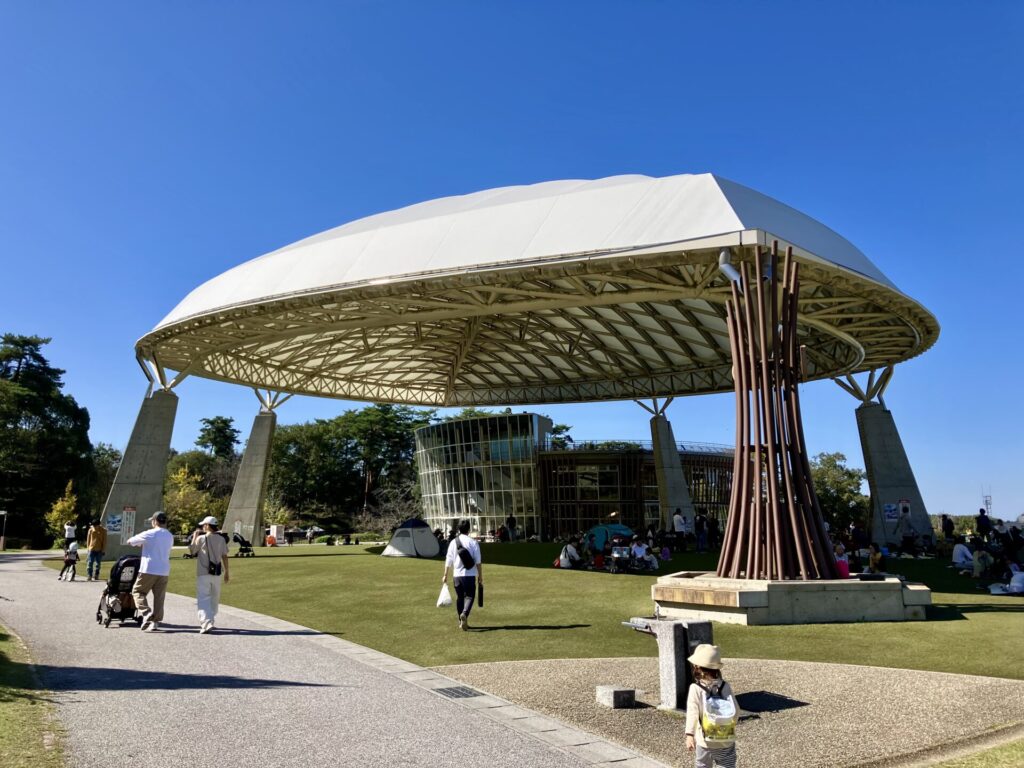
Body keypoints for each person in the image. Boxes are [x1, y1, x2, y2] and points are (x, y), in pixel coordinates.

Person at [685, 644, 739, 768]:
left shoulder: (696, 688)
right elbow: (736, 711)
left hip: (705, 741)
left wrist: (690, 735)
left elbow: (692, 713)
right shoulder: (725, 686)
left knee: (703, 765)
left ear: (697, 667)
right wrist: (726, 724)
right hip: (726, 740)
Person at [127, 511, 175, 632]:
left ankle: (146, 613)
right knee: (159, 597)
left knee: (138, 591)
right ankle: (155, 622)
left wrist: (141, 544)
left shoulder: (150, 533)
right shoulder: (169, 535)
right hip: (164, 569)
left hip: (149, 568)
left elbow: (130, 541)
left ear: (154, 521)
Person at [189, 515, 230, 634]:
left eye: (203, 525)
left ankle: (206, 622)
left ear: (207, 526)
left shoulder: (201, 538)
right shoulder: (221, 539)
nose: (202, 527)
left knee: (203, 598)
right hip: (217, 572)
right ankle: (210, 620)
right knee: (214, 597)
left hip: (203, 572)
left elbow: (192, 551)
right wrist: (227, 571)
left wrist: (195, 536)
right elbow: (225, 556)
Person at [440, 519, 482, 631]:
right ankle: (464, 614)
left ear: (458, 529)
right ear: (469, 529)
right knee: (470, 596)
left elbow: (448, 560)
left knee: (460, 598)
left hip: (457, 575)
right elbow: (478, 562)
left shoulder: (453, 542)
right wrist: (480, 576)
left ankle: (461, 621)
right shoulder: (473, 542)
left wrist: (445, 575)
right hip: (469, 574)